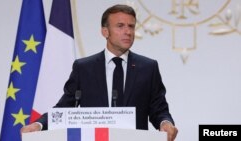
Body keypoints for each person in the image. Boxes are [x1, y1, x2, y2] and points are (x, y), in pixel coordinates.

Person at [21, 4, 178, 141]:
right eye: (120, 26)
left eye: (131, 26)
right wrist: (39, 124)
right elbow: (64, 107)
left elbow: (159, 109)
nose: (128, 32)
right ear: (105, 32)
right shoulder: (83, 68)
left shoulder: (148, 67)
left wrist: (166, 123)